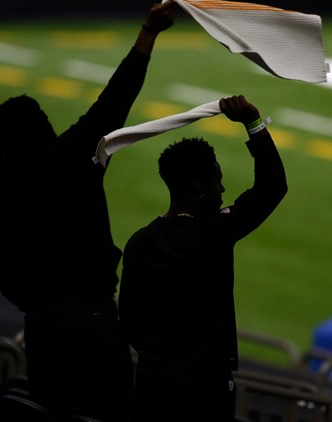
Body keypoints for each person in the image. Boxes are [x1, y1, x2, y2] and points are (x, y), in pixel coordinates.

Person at [0, 3, 177, 420]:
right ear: (41, 131)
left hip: (40, 334)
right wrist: (147, 33)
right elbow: (111, 107)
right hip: (92, 326)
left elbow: (5, 276)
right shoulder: (63, 163)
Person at [118, 95, 288, 422]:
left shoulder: (140, 242)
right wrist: (254, 124)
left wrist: (162, 355)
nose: (222, 189)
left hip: (153, 382)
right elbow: (272, 188)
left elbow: (130, 322)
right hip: (205, 390)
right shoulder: (214, 232)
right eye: (217, 180)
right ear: (199, 186)